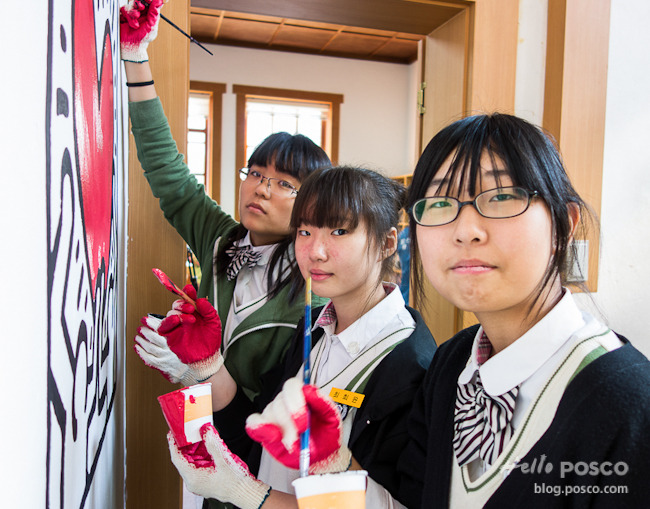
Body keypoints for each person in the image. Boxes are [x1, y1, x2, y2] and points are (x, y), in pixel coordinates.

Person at [394, 113, 650, 507]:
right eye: (441, 202)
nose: (466, 230)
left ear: (564, 223)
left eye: (501, 197)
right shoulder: (451, 365)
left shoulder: (630, 404)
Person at [166, 166, 437, 509]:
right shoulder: (313, 331)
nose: (315, 252)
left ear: (386, 243)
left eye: (339, 231)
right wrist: (209, 365)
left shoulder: (411, 365)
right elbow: (258, 436)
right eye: (305, 231)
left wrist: (246, 493)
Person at [120, 0, 330, 404]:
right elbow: (168, 171)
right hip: (194, 430)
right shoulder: (221, 238)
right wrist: (136, 56)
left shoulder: (314, 293)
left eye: (284, 184)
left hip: (255, 452)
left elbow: (279, 405)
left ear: (312, 204)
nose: (262, 189)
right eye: (255, 173)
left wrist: (199, 370)